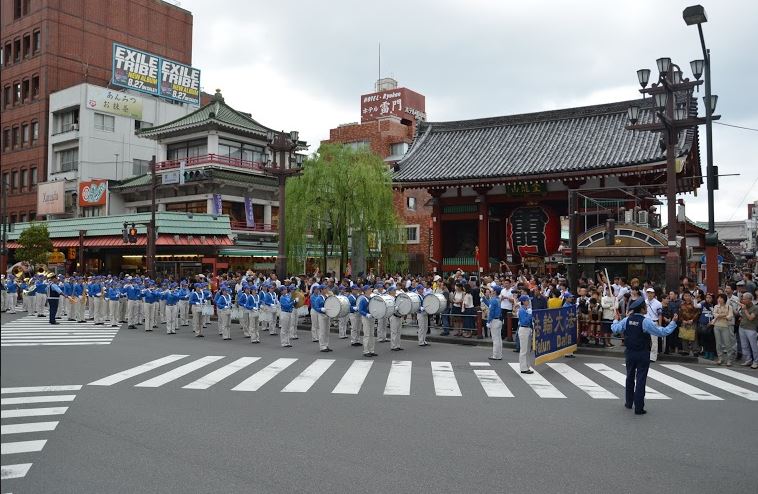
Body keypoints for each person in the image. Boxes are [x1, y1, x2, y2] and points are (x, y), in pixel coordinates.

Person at [611, 298, 678, 415]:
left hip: (630, 352)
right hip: (642, 353)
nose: (647, 308)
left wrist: (616, 320)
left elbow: (615, 329)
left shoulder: (627, 320)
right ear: (641, 309)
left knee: (630, 377)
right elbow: (662, 332)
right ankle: (639, 407)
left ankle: (628, 402)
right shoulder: (645, 321)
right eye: (645, 306)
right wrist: (673, 323)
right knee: (641, 379)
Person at [712, 293, 736, 366]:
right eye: (718, 298)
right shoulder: (716, 306)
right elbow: (714, 314)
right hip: (717, 326)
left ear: (724, 299)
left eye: (721, 298)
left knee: (727, 343)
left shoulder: (729, 307)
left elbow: (730, 316)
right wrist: (723, 315)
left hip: (726, 326)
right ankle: (720, 358)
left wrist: (720, 316)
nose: (719, 299)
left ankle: (729, 359)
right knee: (718, 343)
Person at [736, 293, 758, 368]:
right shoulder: (743, 307)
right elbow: (742, 316)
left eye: (745, 299)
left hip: (751, 328)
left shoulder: (755, 308)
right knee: (744, 346)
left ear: (749, 299)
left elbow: (751, 318)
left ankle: (756, 361)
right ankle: (748, 360)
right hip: (742, 327)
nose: (743, 300)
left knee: (753, 346)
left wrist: (745, 310)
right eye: (743, 299)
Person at [517, 295, 535, 374]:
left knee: (528, 350)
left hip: (527, 329)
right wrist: (530, 315)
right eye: (528, 300)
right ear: (524, 301)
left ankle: (527, 366)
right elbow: (524, 322)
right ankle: (523, 368)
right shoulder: (522, 310)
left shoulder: (526, 309)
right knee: (524, 350)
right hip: (524, 329)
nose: (529, 301)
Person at [358, 285, 377, 357]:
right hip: (366, 318)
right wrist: (366, 314)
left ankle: (371, 350)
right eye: (369, 289)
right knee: (366, 334)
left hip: (372, 317)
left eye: (370, 289)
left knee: (372, 334)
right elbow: (360, 310)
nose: (370, 290)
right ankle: (366, 351)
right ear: (365, 291)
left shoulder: (371, 298)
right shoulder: (363, 299)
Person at [644, 288, 662, 361]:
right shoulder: (644, 302)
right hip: (645, 322)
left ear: (654, 294)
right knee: (644, 340)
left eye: (651, 293)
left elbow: (660, 314)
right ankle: (645, 355)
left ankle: (653, 357)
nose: (649, 294)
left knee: (654, 341)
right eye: (648, 293)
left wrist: (660, 325)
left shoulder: (658, 303)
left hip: (654, 322)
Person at [487, 286, 503, 360]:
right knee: (499, 339)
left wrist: (488, 321)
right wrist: (483, 299)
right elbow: (490, 306)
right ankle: (499, 355)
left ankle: (495, 355)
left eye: (493, 290)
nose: (491, 291)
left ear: (495, 292)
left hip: (494, 320)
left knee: (495, 339)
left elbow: (491, 312)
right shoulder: (498, 299)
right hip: (499, 320)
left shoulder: (493, 300)